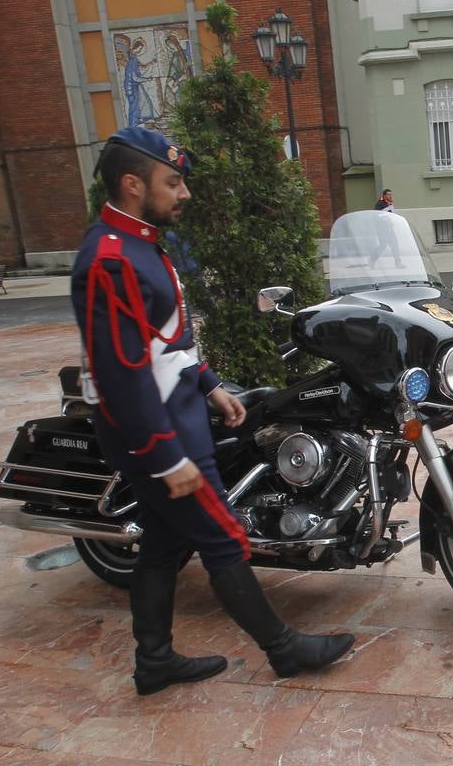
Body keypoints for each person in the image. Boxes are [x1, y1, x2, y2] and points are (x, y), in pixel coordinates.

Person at [73, 127, 355, 697]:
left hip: (176, 413)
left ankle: (154, 661)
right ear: (132, 185)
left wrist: (208, 385)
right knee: (223, 539)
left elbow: (163, 342)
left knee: (162, 544)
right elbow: (121, 375)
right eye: (172, 182)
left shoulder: (138, 242)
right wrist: (164, 455)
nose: (185, 193)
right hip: (153, 431)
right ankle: (284, 650)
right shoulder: (108, 259)